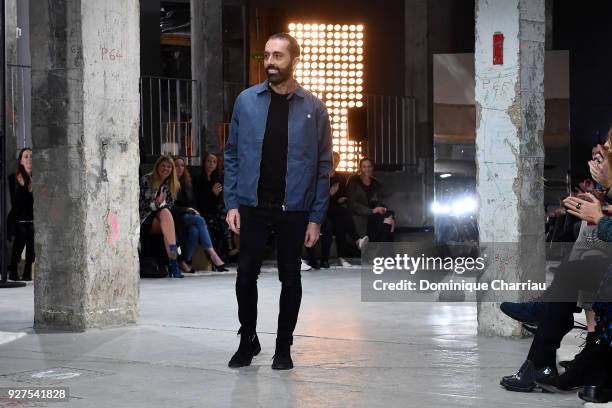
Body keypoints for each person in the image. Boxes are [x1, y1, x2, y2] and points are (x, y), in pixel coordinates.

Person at [224, 32, 332, 370]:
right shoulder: (246, 101)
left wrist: (316, 217)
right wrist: (231, 203)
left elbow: (323, 166)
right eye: (267, 56)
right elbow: (231, 155)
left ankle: (283, 346)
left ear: (294, 60)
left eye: (278, 56)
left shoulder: (314, 107)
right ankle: (248, 340)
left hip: (294, 207)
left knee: (291, 279)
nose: (270, 62)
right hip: (252, 204)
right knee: (245, 278)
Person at [307, 151, 368, 268]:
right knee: (331, 222)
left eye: (337, 161)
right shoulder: (319, 176)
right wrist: (329, 193)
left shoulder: (340, 178)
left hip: (333, 208)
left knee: (341, 218)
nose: (334, 163)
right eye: (332, 161)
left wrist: (341, 198)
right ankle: (356, 240)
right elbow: (313, 197)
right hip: (319, 209)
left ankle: (338, 256)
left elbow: (342, 196)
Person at [173, 156, 227, 272]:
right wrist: (188, 209)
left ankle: (185, 261)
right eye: (176, 165)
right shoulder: (173, 183)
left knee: (195, 230)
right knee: (199, 220)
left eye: (182, 165)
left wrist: (214, 195)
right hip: (175, 215)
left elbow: (196, 203)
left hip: (191, 214)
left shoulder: (186, 182)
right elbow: (171, 205)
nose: (179, 168)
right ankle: (213, 254)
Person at [139, 155, 183, 278]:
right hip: (145, 218)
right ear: (157, 167)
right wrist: (156, 204)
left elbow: (168, 205)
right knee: (165, 216)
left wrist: (160, 206)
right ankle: (174, 262)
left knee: (165, 215)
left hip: (161, 217)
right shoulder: (147, 179)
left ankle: (172, 259)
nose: (166, 169)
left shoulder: (172, 184)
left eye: (169, 166)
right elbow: (141, 205)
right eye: (163, 166)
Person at [194, 152, 238, 261]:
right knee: (222, 217)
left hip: (215, 210)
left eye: (214, 162)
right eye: (209, 161)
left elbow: (219, 201)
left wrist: (216, 195)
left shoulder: (218, 178)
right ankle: (229, 248)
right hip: (202, 211)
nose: (211, 164)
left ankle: (230, 249)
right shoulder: (197, 178)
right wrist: (212, 193)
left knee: (227, 216)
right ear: (204, 162)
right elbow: (199, 200)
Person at [346, 158, 395, 242]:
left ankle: (383, 250)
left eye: (369, 166)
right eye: (364, 167)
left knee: (389, 217)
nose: (367, 169)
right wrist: (371, 211)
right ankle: (384, 250)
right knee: (386, 221)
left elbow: (380, 201)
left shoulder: (376, 183)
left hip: (374, 213)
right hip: (360, 214)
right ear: (360, 168)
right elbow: (352, 204)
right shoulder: (353, 180)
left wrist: (382, 209)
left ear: (372, 168)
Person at [7, 148, 35, 281]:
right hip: (19, 219)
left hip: (32, 218)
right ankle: (13, 270)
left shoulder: (37, 178)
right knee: (20, 240)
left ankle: (27, 272)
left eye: (31, 156)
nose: (29, 159)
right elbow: (16, 202)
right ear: (20, 161)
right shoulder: (14, 178)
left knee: (32, 246)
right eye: (26, 156)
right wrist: (25, 188)